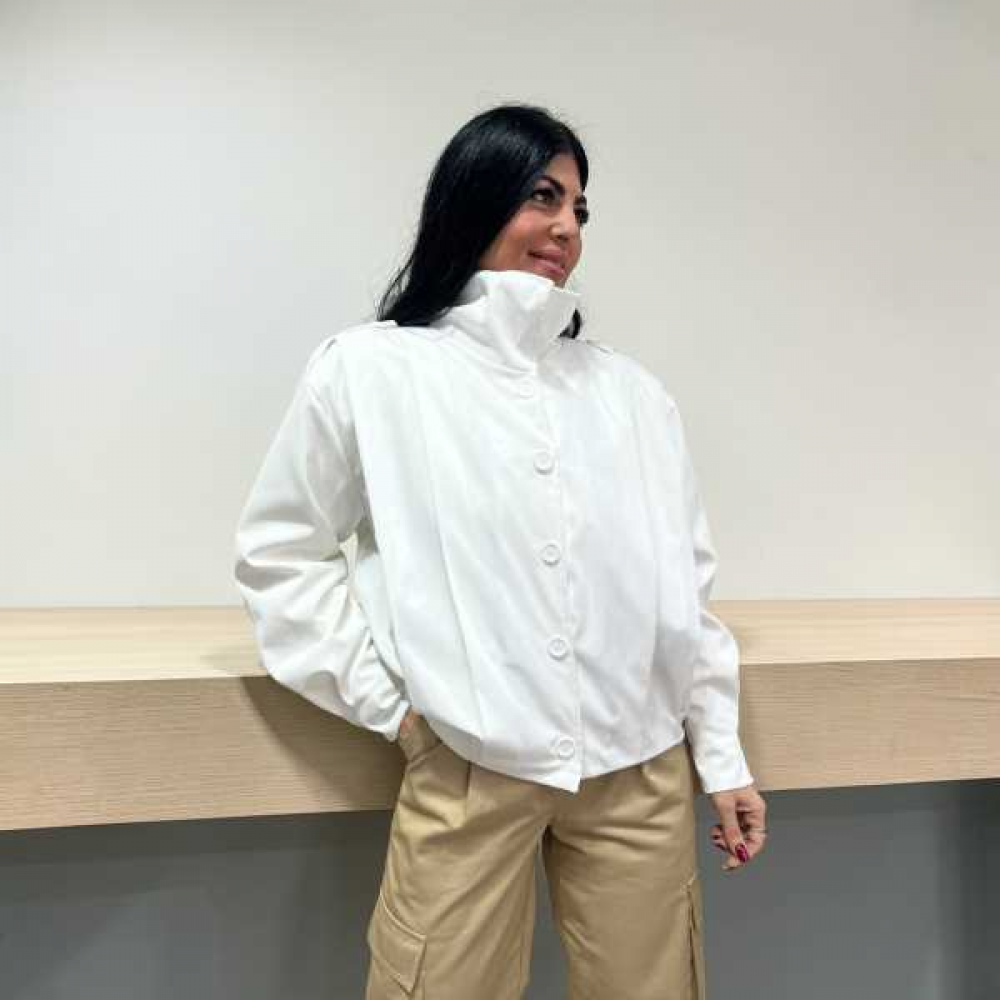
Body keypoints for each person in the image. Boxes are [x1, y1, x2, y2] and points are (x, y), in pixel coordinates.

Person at [234, 102, 767, 999]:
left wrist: (722, 757)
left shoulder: (630, 394)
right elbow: (280, 555)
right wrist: (398, 712)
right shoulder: (371, 369)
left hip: (638, 770)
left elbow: (685, 592)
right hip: (471, 764)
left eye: (580, 209)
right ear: (473, 199)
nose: (566, 227)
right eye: (541, 196)